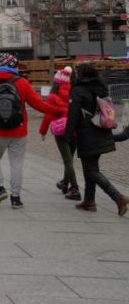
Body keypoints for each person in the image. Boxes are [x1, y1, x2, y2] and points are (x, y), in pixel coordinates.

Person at [0, 54, 60, 209]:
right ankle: (15, 198)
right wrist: (59, 111)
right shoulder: (22, 83)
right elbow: (39, 105)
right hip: (18, 130)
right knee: (16, 164)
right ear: (13, 66)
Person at [65, 64, 128, 216]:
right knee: (90, 167)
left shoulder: (78, 90)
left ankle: (118, 197)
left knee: (91, 170)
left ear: (81, 74)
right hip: (101, 129)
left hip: (87, 133)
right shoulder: (100, 87)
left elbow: (73, 114)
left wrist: (68, 134)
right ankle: (89, 200)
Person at [39, 67, 79, 201]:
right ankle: (64, 183)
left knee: (67, 161)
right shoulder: (74, 93)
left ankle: (75, 188)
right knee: (70, 160)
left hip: (61, 130)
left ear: (56, 82)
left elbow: (48, 116)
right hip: (74, 129)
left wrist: (43, 131)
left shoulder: (53, 96)